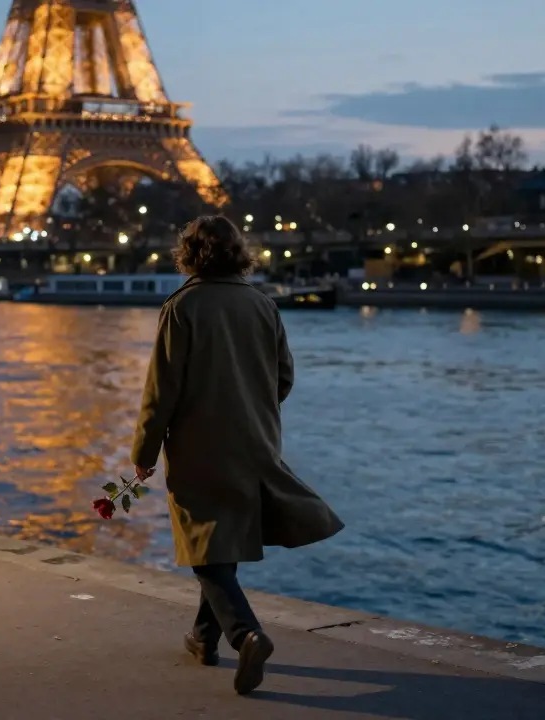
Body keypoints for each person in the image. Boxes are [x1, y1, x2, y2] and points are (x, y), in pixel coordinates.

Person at [130, 215, 345, 695]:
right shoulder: (264, 304)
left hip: (199, 445)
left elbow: (161, 391)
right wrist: (252, 410)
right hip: (255, 441)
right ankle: (204, 639)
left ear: (189, 253)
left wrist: (143, 450)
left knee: (203, 545)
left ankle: (246, 634)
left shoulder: (182, 307)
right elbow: (282, 378)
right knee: (221, 536)